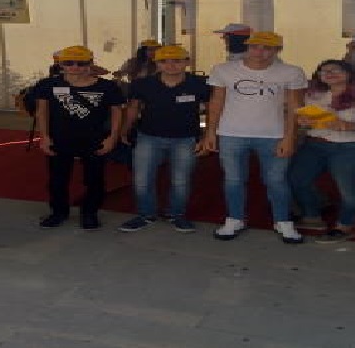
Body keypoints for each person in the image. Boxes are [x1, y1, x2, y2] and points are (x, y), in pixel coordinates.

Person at [197, 31, 306, 244]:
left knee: (276, 180)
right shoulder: (223, 70)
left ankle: (282, 220)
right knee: (233, 179)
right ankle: (235, 218)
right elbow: (216, 102)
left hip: (274, 134)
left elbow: (295, 107)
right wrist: (210, 132)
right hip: (231, 133)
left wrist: (290, 137)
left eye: (267, 48)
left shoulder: (292, 72)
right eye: (255, 47)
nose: (260, 52)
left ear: (277, 50)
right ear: (247, 47)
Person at [288, 60, 355, 243]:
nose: (330, 73)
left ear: (349, 73)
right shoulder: (313, 96)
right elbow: (305, 121)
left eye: (336, 70)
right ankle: (312, 215)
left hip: (353, 147)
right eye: (324, 71)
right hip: (315, 144)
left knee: (349, 189)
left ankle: (345, 225)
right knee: (296, 179)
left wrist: (352, 126)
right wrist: (304, 122)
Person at [117, 45, 210, 234]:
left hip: (185, 139)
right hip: (148, 137)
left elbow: (211, 109)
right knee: (142, 179)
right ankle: (146, 214)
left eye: (176, 61)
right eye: (164, 61)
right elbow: (133, 108)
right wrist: (124, 130)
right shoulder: (142, 84)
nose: (170, 65)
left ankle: (176, 214)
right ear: (156, 63)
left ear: (187, 62)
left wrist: (208, 135)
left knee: (180, 181)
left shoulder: (200, 84)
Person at [33, 45, 126, 231]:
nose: (75, 67)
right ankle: (59, 212)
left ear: (90, 64)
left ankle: (90, 213)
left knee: (94, 179)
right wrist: (44, 136)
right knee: (57, 180)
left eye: (81, 63)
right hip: (59, 139)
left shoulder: (107, 87)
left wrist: (112, 138)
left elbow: (117, 113)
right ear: (61, 64)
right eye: (69, 63)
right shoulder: (47, 84)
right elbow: (42, 111)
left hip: (94, 140)